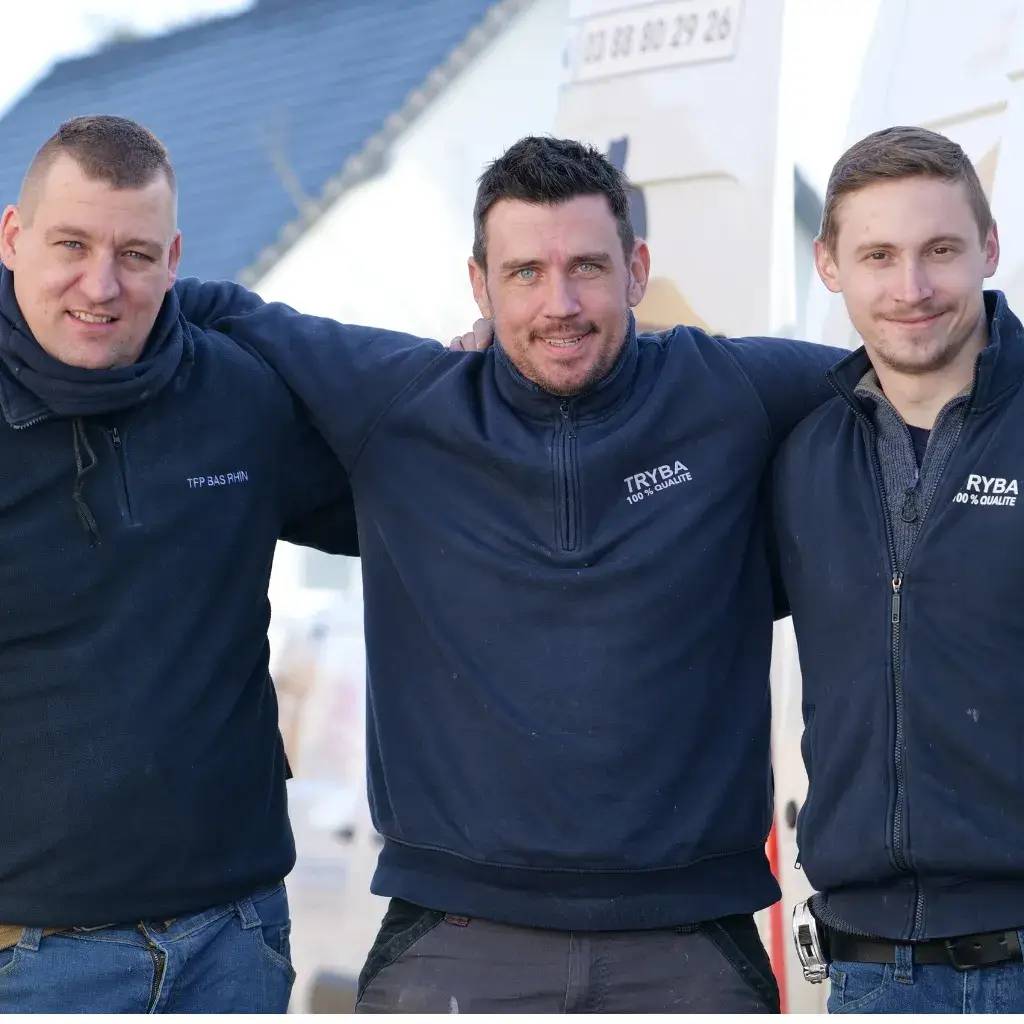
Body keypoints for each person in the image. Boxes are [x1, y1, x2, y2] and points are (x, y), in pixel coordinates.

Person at [184, 135, 845, 1013]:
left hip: (691, 945)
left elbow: (918, 360)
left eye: (586, 268)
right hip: (456, 944)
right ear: (479, 285)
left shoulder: (732, 391)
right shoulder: (404, 404)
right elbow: (210, 306)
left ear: (637, 268)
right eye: (525, 272)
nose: (559, 303)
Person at [0, 115, 358, 1013]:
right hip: (29, 958)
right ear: (12, 236)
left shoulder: (240, 394)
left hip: (233, 944)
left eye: (136, 253)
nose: (101, 284)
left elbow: (410, 512)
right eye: (71, 245)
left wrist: (490, 382)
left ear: (174, 258)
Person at [773, 126, 1024, 1013]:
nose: (911, 289)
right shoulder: (797, 459)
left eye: (941, 251)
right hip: (868, 971)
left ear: (989, 249)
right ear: (830, 264)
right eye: (878, 255)